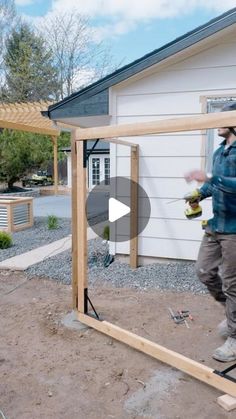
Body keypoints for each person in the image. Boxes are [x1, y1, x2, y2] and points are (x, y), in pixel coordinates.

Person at [185, 101, 236, 362]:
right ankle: (232, 316)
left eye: (223, 117)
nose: (217, 121)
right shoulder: (218, 153)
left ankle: (235, 337)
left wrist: (209, 179)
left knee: (232, 282)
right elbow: (213, 185)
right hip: (216, 224)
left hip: (235, 230)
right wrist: (197, 194)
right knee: (204, 271)